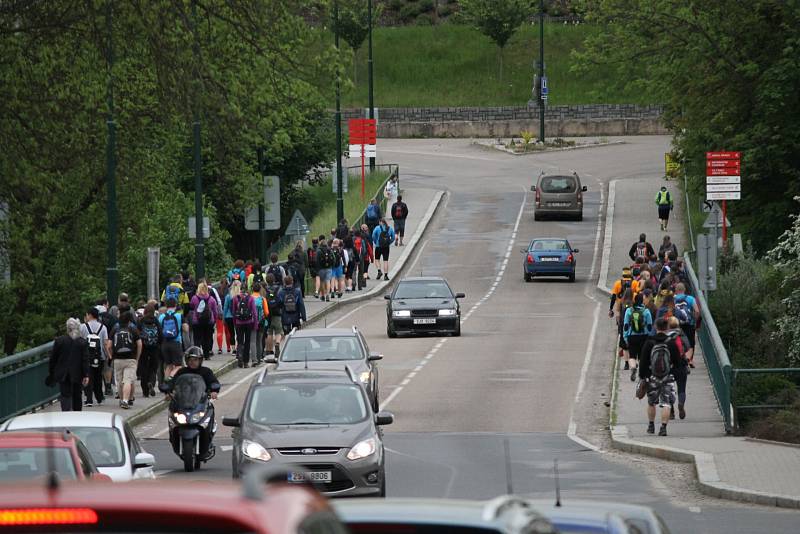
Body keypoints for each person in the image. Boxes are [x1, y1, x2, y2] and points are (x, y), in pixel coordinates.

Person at [639, 317, 682, 436]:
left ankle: (651, 425)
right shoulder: (671, 343)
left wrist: (643, 376)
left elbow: (643, 362)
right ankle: (663, 428)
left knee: (651, 402)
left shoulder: (649, 342)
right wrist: (673, 373)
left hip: (652, 376)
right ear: (667, 328)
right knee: (666, 403)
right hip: (667, 376)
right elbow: (677, 362)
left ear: (655, 327)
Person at [48, 318, 90, 411]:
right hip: (78, 373)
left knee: (65, 395)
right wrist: (86, 374)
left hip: (64, 373)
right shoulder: (82, 342)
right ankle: (76, 414)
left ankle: (66, 414)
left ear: (67, 328)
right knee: (77, 394)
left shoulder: (60, 341)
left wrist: (52, 372)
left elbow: (53, 359)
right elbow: (85, 360)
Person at [106, 311, 141, 409]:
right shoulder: (133, 329)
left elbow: (108, 346)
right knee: (128, 380)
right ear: (129, 320)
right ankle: (126, 400)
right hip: (131, 358)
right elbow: (139, 344)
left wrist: (111, 356)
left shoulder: (115, 328)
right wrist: (137, 357)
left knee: (120, 380)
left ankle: (122, 400)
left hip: (117, 359)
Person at [81, 307, 108, 407]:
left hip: (86, 357)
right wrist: (107, 355)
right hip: (99, 356)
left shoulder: (83, 327)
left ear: (90, 315)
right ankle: (99, 397)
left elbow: (80, 340)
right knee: (98, 377)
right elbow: (105, 343)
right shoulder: (103, 327)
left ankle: (88, 399)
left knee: (88, 376)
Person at [623, 293, 653, 382]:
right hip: (643, 336)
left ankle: (632, 368)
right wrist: (649, 336)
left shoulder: (629, 310)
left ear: (634, 300)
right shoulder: (646, 311)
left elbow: (626, 325)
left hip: (632, 336)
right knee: (642, 357)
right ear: (642, 301)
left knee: (632, 356)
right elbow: (650, 326)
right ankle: (641, 375)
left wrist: (625, 337)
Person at [158, 297, 187, 379]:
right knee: (178, 366)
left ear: (166, 306)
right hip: (176, 343)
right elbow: (186, 329)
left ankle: (166, 387)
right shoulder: (179, 316)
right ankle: (171, 377)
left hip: (165, 344)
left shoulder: (161, 317)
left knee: (169, 366)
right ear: (175, 305)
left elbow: (159, 330)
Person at [137, 301, 161, 398]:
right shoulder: (156, 320)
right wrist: (159, 344)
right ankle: (151, 382)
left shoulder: (141, 321)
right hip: (154, 348)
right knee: (153, 368)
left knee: (143, 368)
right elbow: (160, 333)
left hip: (143, 347)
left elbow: (137, 334)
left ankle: (145, 391)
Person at [190, 282, 219, 360]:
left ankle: (197, 355)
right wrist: (214, 320)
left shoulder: (194, 298)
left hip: (197, 321)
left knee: (197, 339)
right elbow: (215, 311)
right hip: (209, 322)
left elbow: (192, 307)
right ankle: (207, 355)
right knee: (207, 338)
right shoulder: (212, 299)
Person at [673, 283, 700, 368]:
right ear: (684, 289)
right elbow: (697, 311)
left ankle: (679, 359)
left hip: (677, 324)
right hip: (689, 324)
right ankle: (690, 360)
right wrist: (695, 320)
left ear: (676, 290)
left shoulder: (673, 299)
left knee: (678, 341)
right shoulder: (691, 298)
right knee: (691, 341)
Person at [232, 284, 258, 368]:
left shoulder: (236, 298)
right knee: (247, 342)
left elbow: (234, 311)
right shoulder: (250, 298)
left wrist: (235, 322)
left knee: (240, 341)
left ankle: (240, 355)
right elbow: (254, 312)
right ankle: (246, 362)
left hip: (239, 323)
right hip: (248, 322)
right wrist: (255, 324)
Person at [249, 282, 270, 365]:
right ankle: (259, 358)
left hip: (252, 321)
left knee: (252, 341)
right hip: (261, 321)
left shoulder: (250, 298)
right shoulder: (262, 299)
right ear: (260, 289)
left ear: (252, 289)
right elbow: (267, 312)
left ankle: (253, 359)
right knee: (259, 340)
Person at [264, 274, 283, 356]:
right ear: (274, 280)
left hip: (268, 313)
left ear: (266, 280)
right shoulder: (279, 288)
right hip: (277, 312)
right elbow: (281, 300)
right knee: (278, 331)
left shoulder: (264, 289)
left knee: (269, 332)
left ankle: (269, 350)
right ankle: (277, 343)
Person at [223, 281, 240, 355]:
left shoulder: (228, 296)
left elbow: (225, 308)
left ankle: (233, 349)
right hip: (238, 317)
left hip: (229, 317)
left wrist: (224, 317)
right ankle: (238, 347)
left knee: (231, 333)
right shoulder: (240, 296)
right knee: (238, 333)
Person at [212, 278, 229, 354]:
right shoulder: (228, 292)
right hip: (228, 314)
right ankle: (229, 347)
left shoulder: (217, 291)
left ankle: (220, 348)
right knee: (227, 332)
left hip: (219, 314)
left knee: (219, 331)